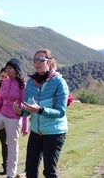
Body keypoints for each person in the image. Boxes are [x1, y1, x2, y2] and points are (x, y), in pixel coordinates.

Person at [13, 49, 69, 178]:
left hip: (55, 132)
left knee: (49, 172)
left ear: (49, 62)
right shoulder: (30, 84)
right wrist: (20, 111)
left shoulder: (59, 82)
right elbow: (27, 110)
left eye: (41, 60)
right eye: (35, 60)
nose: (37, 63)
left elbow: (60, 112)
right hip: (36, 132)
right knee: (30, 171)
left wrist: (40, 110)